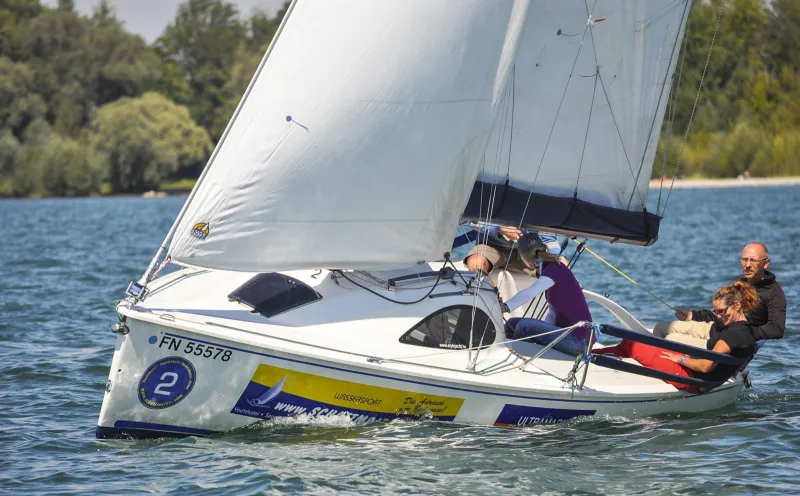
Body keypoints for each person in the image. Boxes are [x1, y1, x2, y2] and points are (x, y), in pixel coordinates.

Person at [595, 282, 759, 393]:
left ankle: (596, 357)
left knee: (634, 344)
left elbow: (705, 366)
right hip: (695, 374)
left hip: (692, 379)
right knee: (636, 341)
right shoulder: (744, 331)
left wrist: (680, 359)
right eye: (716, 312)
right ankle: (600, 355)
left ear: (737, 305)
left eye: (721, 311)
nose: (718, 316)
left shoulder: (735, 333)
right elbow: (740, 362)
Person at [653, 242, 786, 347]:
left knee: (671, 338)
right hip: (712, 328)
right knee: (661, 328)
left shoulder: (774, 293)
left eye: (753, 261)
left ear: (766, 263)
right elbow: (721, 312)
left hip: (724, 343)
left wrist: (742, 333)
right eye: (744, 260)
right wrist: (692, 315)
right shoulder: (740, 282)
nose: (747, 265)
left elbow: (776, 329)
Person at [501, 233, 594, 356]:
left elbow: (531, 292)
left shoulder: (554, 269)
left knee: (524, 326)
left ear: (525, 257)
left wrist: (505, 306)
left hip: (579, 342)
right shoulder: (547, 267)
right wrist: (542, 334)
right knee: (511, 324)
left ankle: (518, 357)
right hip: (568, 335)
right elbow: (553, 313)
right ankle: (510, 351)